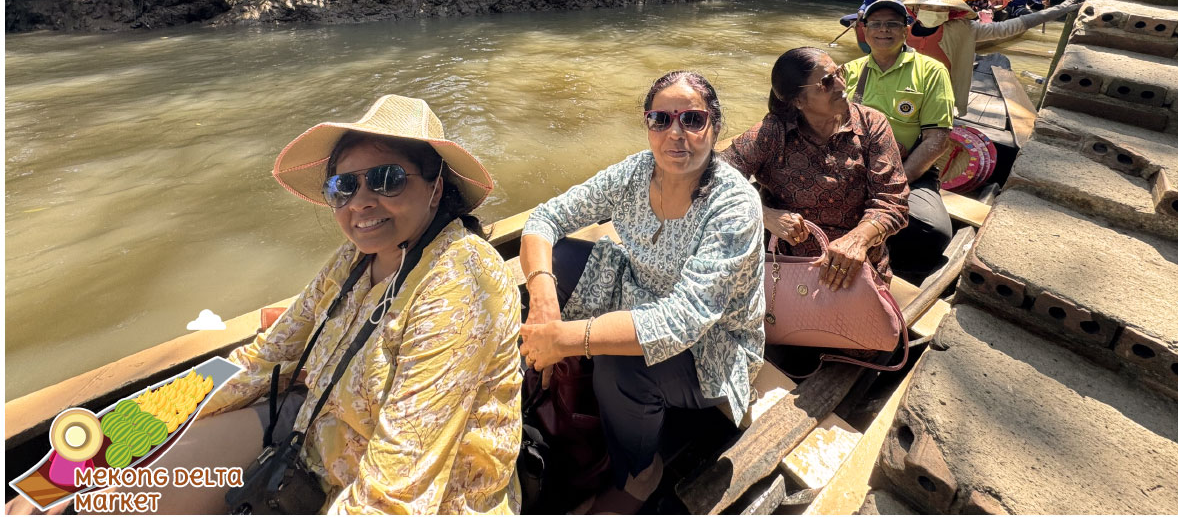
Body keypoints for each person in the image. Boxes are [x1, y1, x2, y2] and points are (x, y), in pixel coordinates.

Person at [5, 95, 526, 515]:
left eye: (387, 179)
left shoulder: (462, 277)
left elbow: (398, 492)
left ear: (435, 188)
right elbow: (257, 364)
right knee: (101, 505)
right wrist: (71, 470)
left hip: (431, 497)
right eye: (343, 187)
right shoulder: (351, 262)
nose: (361, 202)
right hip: (317, 446)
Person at [518, 71, 765, 514]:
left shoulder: (734, 203)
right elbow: (544, 219)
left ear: (715, 126)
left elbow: (684, 318)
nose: (676, 133)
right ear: (648, 125)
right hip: (636, 292)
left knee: (620, 366)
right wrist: (543, 301)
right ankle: (543, 373)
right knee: (554, 264)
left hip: (711, 343)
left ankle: (640, 474)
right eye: (661, 119)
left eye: (692, 119)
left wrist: (566, 339)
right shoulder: (634, 172)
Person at [723, 48, 909, 286]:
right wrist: (763, 215)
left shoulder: (871, 125)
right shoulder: (773, 132)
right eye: (826, 82)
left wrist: (859, 240)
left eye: (839, 73)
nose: (842, 86)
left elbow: (893, 200)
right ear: (798, 101)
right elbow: (712, 178)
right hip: (784, 268)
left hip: (858, 267)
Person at [842, 0, 955, 283]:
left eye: (892, 24)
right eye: (876, 24)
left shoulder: (931, 71)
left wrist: (893, 182)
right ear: (864, 31)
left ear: (906, 30)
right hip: (853, 165)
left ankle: (885, 258)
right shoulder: (850, 71)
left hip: (909, 170)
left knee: (932, 231)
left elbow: (937, 139)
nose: (883, 30)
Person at [904, 0, 1083, 114]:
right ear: (917, 8)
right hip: (905, 92)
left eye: (941, 8)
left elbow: (1007, 27)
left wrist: (1058, 10)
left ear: (950, 11)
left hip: (940, 95)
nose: (935, 12)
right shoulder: (901, 31)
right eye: (929, 7)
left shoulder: (963, 29)